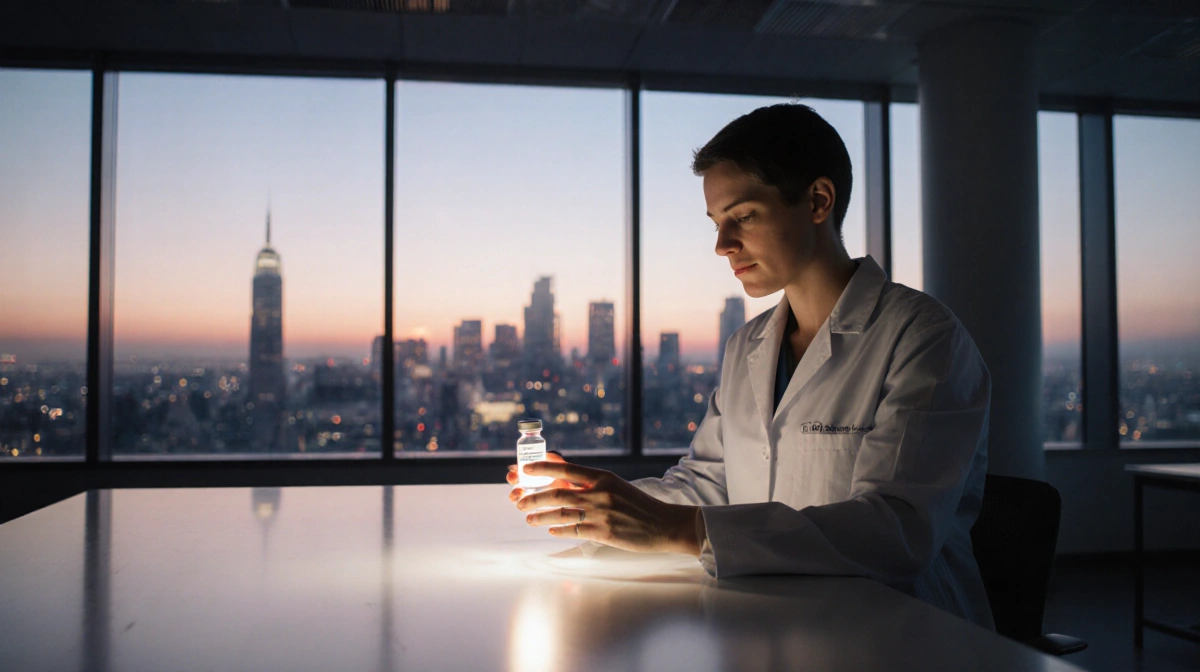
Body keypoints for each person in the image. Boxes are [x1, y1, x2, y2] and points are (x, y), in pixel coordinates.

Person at [506, 103, 994, 629]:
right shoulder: (747, 347)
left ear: (817, 201)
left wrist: (680, 529)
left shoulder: (922, 337)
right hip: (771, 623)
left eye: (742, 216)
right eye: (717, 223)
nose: (722, 246)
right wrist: (600, 506)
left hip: (910, 636)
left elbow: (897, 531)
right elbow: (709, 487)